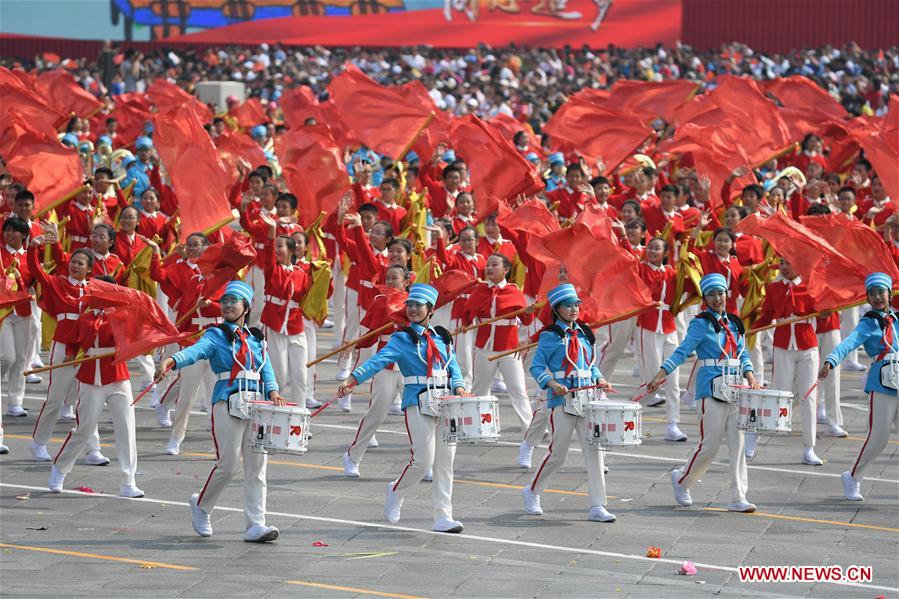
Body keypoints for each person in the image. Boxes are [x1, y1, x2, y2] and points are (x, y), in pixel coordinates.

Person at [155, 281, 286, 542]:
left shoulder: (257, 338)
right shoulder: (216, 335)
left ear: (245, 308)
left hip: (256, 405)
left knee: (257, 467)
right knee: (227, 465)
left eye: (233, 301)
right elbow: (196, 351)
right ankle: (202, 506)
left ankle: (255, 524)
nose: (227, 305)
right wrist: (171, 360)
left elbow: (266, 368)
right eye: (224, 301)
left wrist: (273, 392)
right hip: (227, 401)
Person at [337, 283, 468, 533]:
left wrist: (460, 386)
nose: (413, 309)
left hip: (445, 403)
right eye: (410, 305)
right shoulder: (402, 338)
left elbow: (454, 366)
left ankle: (443, 516)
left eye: (418, 305)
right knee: (422, 460)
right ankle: (396, 491)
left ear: (430, 309)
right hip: (417, 400)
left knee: (445, 462)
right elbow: (379, 360)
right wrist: (353, 379)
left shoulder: (442, 336)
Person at [647, 273, 760, 513]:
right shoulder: (700, 323)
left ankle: (738, 496)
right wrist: (661, 373)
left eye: (720, 293)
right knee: (710, 446)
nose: (717, 298)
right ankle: (682, 480)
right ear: (705, 299)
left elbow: (743, 353)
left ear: (726, 294)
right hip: (710, 389)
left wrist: (750, 375)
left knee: (737, 445)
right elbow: (682, 350)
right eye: (712, 295)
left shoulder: (734, 323)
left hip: (735, 388)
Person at [522, 283, 615, 522]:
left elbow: (590, 364)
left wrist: (600, 379)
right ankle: (532, 491)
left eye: (576, 305)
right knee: (558, 454)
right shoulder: (549, 336)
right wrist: (552, 384)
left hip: (587, 399)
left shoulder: (584, 334)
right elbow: (536, 366)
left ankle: (598, 505)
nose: (574, 309)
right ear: (556, 309)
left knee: (594, 451)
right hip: (561, 400)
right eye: (568, 306)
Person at [48, 275, 142, 498]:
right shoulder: (85, 317)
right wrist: (70, 355)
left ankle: (129, 481)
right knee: (85, 428)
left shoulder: (122, 316)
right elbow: (73, 342)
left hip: (118, 376)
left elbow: (134, 338)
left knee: (127, 429)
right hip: (90, 377)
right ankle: (60, 468)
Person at [819, 272, 899, 502]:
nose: (876, 297)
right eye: (872, 293)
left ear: (889, 294)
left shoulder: (897, 319)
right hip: (882, 382)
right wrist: (831, 361)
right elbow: (849, 343)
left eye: (880, 292)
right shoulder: (868, 322)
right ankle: (853, 476)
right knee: (879, 437)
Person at [747, 258, 822, 465]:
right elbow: (767, 314)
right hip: (782, 347)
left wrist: (826, 313)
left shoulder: (811, 285)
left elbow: (823, 314)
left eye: (788, 262)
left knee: (809, 398)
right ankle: (754, 436)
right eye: (781, 262)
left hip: (808, 347)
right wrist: (749, 330)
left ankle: (809, 448)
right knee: (778, 395)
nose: (784, 266)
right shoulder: (773, 287)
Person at [342, 264, 409, 476]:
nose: (390, 282)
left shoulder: (413, 302)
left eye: (395, 278)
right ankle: (353, 456)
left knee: (418, 416)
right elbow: (371, 333)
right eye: (387, 278)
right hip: (386, 363)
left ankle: (422, 462)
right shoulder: (380, 300)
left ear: (406, 282)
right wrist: (356, 344)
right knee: (377, 414)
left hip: (410, 365)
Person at [636, 237, 687, 442]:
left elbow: (691, 283)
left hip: (669, 327)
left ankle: (672, 425)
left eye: (657, 248)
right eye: (650, 247)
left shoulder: (673, 273)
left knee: (673, 380)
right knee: (652, 380)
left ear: (665, 253)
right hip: (647, 326)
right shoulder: (640, 268)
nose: (652, 251)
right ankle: (631, 418)